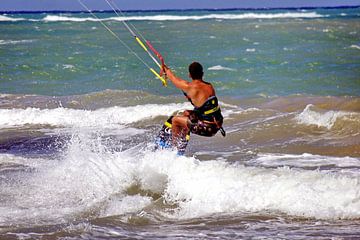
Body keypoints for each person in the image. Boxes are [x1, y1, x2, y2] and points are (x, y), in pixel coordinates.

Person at [159, 62, 225, 152]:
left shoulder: (190, 87)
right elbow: (206, 107)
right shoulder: (209, 86)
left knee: (175, 120)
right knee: (186, 113)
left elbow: (174, 79)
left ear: (189, 75)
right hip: (217, 124)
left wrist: (166, 69)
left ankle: (174, 149)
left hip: (208, 128)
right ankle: (181, 139)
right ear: (202, 74)